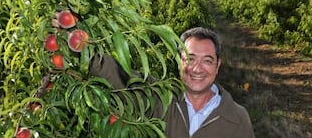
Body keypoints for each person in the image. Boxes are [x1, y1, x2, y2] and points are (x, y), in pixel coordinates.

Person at [89, 27, 255, 138]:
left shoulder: (237, 118)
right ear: (179, 62)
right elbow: (118, 76)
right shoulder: (160, 98)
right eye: (190, 59)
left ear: (217, 66)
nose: (197, 69)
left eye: (207, 61)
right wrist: (82, 46)